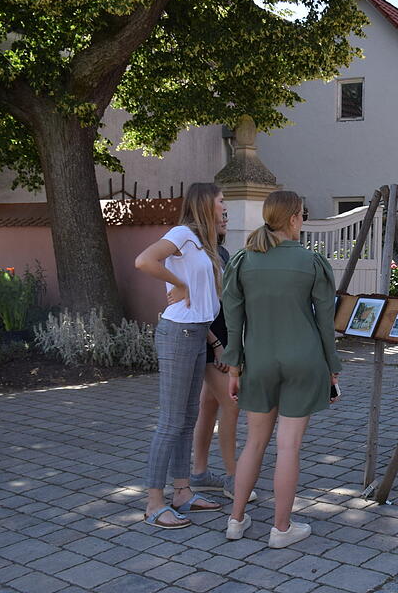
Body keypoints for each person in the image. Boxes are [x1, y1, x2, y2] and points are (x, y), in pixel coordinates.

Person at [220, 190, 341, 548]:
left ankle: (235, 520)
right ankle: (281, 528)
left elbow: (232, 320)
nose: (303, 221)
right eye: (302, 215)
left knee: (254, 443)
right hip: (304, 360)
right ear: (292, 219)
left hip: (258, 361)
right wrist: (333, 367)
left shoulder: (242, 261)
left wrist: (234, 368)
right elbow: (324, 324)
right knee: (288, 447)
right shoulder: (312, 262)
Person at [134, 182, 226, 529]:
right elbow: (144, 260)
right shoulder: (182, 233)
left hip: (197, 333)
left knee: (188, 418)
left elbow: (203, 306)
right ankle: (154, 502)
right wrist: (180, 284)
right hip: (178, 335)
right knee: (171, 422)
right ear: (205, 203)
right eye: (221, 201)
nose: (224, 207)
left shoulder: (200, 241)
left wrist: (216, 342)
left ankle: (182, 492)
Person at [188, 213, 258, 503]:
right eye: (220, 207)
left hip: (222, 340)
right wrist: (217, 346)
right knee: (232, 405)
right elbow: (194, 303)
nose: (226, 215)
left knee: (209, 406)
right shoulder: (197, 252)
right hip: (210, 340)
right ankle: (233, 478)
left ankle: (200, 474)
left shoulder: (223, 252)